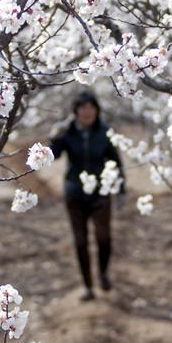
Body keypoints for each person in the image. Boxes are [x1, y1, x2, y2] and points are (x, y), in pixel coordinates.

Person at [49, 91, 124, 301]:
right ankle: (88, 286)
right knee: (80, 241)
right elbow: (52, 155)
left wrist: (121, 189)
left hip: (101, 192)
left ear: (97, 110)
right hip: (75, 193)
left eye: (91, 108)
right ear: (76, 112)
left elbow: (116, 161)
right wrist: (53, 137)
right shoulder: (68, 133)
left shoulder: (104, 132)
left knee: (103, 237)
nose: (87, 112)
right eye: (83, 108)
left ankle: (103, 273)